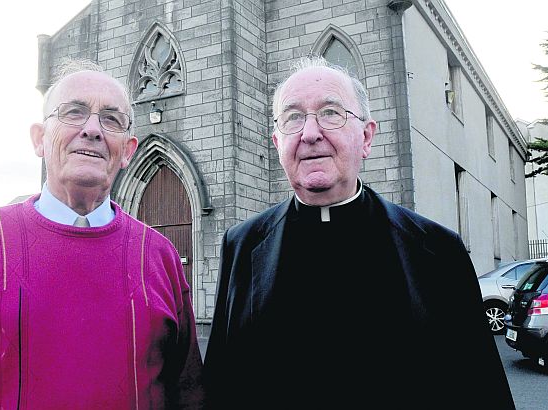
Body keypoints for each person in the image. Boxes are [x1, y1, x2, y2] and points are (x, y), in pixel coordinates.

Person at [203, 56, 514, 409]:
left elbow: (480, 389)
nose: (309, 133)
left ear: (366, 137)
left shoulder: (437, 250)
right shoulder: (242, 245)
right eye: (293, 118)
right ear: (277, 145)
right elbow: (220, 386)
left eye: (330, 113)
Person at [0, 59, 204, 409]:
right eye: (74, 112)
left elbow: (189, 391)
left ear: (128, 150)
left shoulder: (158, 255)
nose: (93, 129)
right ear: (39, 139)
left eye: (111, 119)